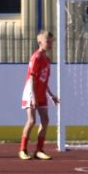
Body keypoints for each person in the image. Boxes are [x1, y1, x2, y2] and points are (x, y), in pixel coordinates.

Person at [18, 30, 60, 161]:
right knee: (31, 121)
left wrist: (51, 95)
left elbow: (43, 80)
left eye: (52, 42)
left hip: (41, 93)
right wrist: (34, 97)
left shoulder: (47, 59)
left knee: (45, 120)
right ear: (40, 42)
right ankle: (23, 150)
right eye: (48, 41)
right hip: (31, 93)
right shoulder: (36, 57)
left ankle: (39, 150)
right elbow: (32, 79)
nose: (50, 44)